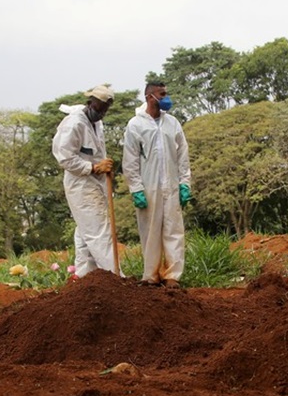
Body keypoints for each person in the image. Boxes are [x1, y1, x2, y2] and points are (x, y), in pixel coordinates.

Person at [122, 81, 192, 289]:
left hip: (171, 185)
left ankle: (172, 276)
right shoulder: (135, 125)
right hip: (148, 187)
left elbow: (183, 155)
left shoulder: (173, 124)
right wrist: (136, 189)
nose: (166, 98)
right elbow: (130, 160)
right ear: (149, 96)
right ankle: (151, 276)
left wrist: (185, 183)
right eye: (162, 94)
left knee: (174, 230)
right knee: (150, 231)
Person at [52, 84, 120, 278]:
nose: (102, 114)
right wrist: (93, 167)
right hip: (80, 184)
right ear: (90, 103)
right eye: (100, 108)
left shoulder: (97, 124)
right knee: (98, 231)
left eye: (106, 110)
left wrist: (104, 168)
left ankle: (83, 276)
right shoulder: (74, 123)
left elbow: (98, 152)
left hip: (96, 182)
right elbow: (64, 157)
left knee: (84, 232)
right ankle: (115, 277)